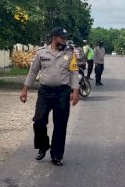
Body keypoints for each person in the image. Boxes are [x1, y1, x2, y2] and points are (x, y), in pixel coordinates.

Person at [20, 27, 80, 166]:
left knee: (60, 125)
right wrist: (25, 90)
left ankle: (57, 155)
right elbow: (33, 72)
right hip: (45, 92)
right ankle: (43, 145)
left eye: (66, 38)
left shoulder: (70, 54)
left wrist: (75, 91)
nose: (65, 40)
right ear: (54, 38)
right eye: (62, 38)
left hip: (62, 93)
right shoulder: (41, 53)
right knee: (39, 121)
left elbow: (74, 73)